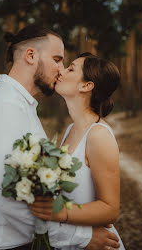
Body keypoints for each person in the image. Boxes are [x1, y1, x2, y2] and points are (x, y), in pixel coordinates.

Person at [0, 25, 120, 250]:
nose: (60, 69)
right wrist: (80, 237)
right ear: (30, 55)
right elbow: (9, 198)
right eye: (57, 59)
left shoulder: (23, 107)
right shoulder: (3, 107)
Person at [29, 52, 125, 250]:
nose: (61, 71)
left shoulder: (98, 136)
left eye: (70, 69)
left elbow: (110, 209)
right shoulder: (70, 130)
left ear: (86, 86)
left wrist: (57, 212)